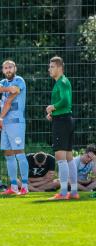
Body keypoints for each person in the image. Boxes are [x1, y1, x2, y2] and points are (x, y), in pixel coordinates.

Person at [0, 60, 29, 195]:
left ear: (15, 68)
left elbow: (8, 101)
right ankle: (14, 187)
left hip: (16, 122)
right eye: (5, 68)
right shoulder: (4, 82)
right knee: (8, 153)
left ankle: (24, 186)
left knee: (19, 152)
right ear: (3, 70)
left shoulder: (19, 80)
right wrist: (7, 89)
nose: (8, 70)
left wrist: (0, 118)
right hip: (6, 123)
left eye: (10, 67)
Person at [46, 56, 78, 200]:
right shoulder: (62, 82)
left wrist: (53, 107)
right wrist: (53, 113)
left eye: (52, 67)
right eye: (50, 67)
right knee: (69, 157)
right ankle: (75, 191)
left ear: (59, 67)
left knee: (60, 157)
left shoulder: (62, 82)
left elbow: (65, 100)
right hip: (65, 119)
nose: (50, 69)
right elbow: (65, 104)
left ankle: (64, 192)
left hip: (62, 122)